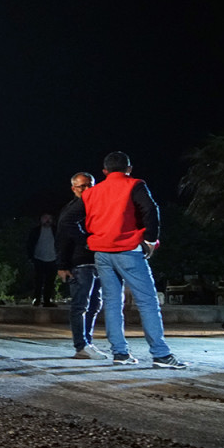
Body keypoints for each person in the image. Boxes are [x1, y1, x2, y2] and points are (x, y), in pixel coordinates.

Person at [84, 151, 187, 368]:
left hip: (101, 252)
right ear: (129, 169)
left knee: (112, 303)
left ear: (104, 171)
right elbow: (150, 209)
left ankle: (120, 353)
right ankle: (160, 355)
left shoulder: (92, 192)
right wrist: (150, 239)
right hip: (128, 250)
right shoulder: (134, 185)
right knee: (147, 302)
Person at [55, 172, 104, 359]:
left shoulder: (92, 205)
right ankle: (81, 345)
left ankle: (87, 343)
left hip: (94, 262)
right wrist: (62, 265)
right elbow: (62, 237)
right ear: (74, 188)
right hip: (80, 263)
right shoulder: (74, 208)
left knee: (94, 304)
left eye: (89, 185)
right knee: (80, 305)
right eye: (82, 186)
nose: (86, 189)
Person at [26, 212, 58, 306]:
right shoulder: (35, 231)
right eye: (45, 218)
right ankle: (37, 299)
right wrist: (31, 257)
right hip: (38, 258)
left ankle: (47, 300)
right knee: (38, 280)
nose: (47, 220)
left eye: (49, 218)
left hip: (53, 258)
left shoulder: (56, 230)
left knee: (50, 281)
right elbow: (30, 244)